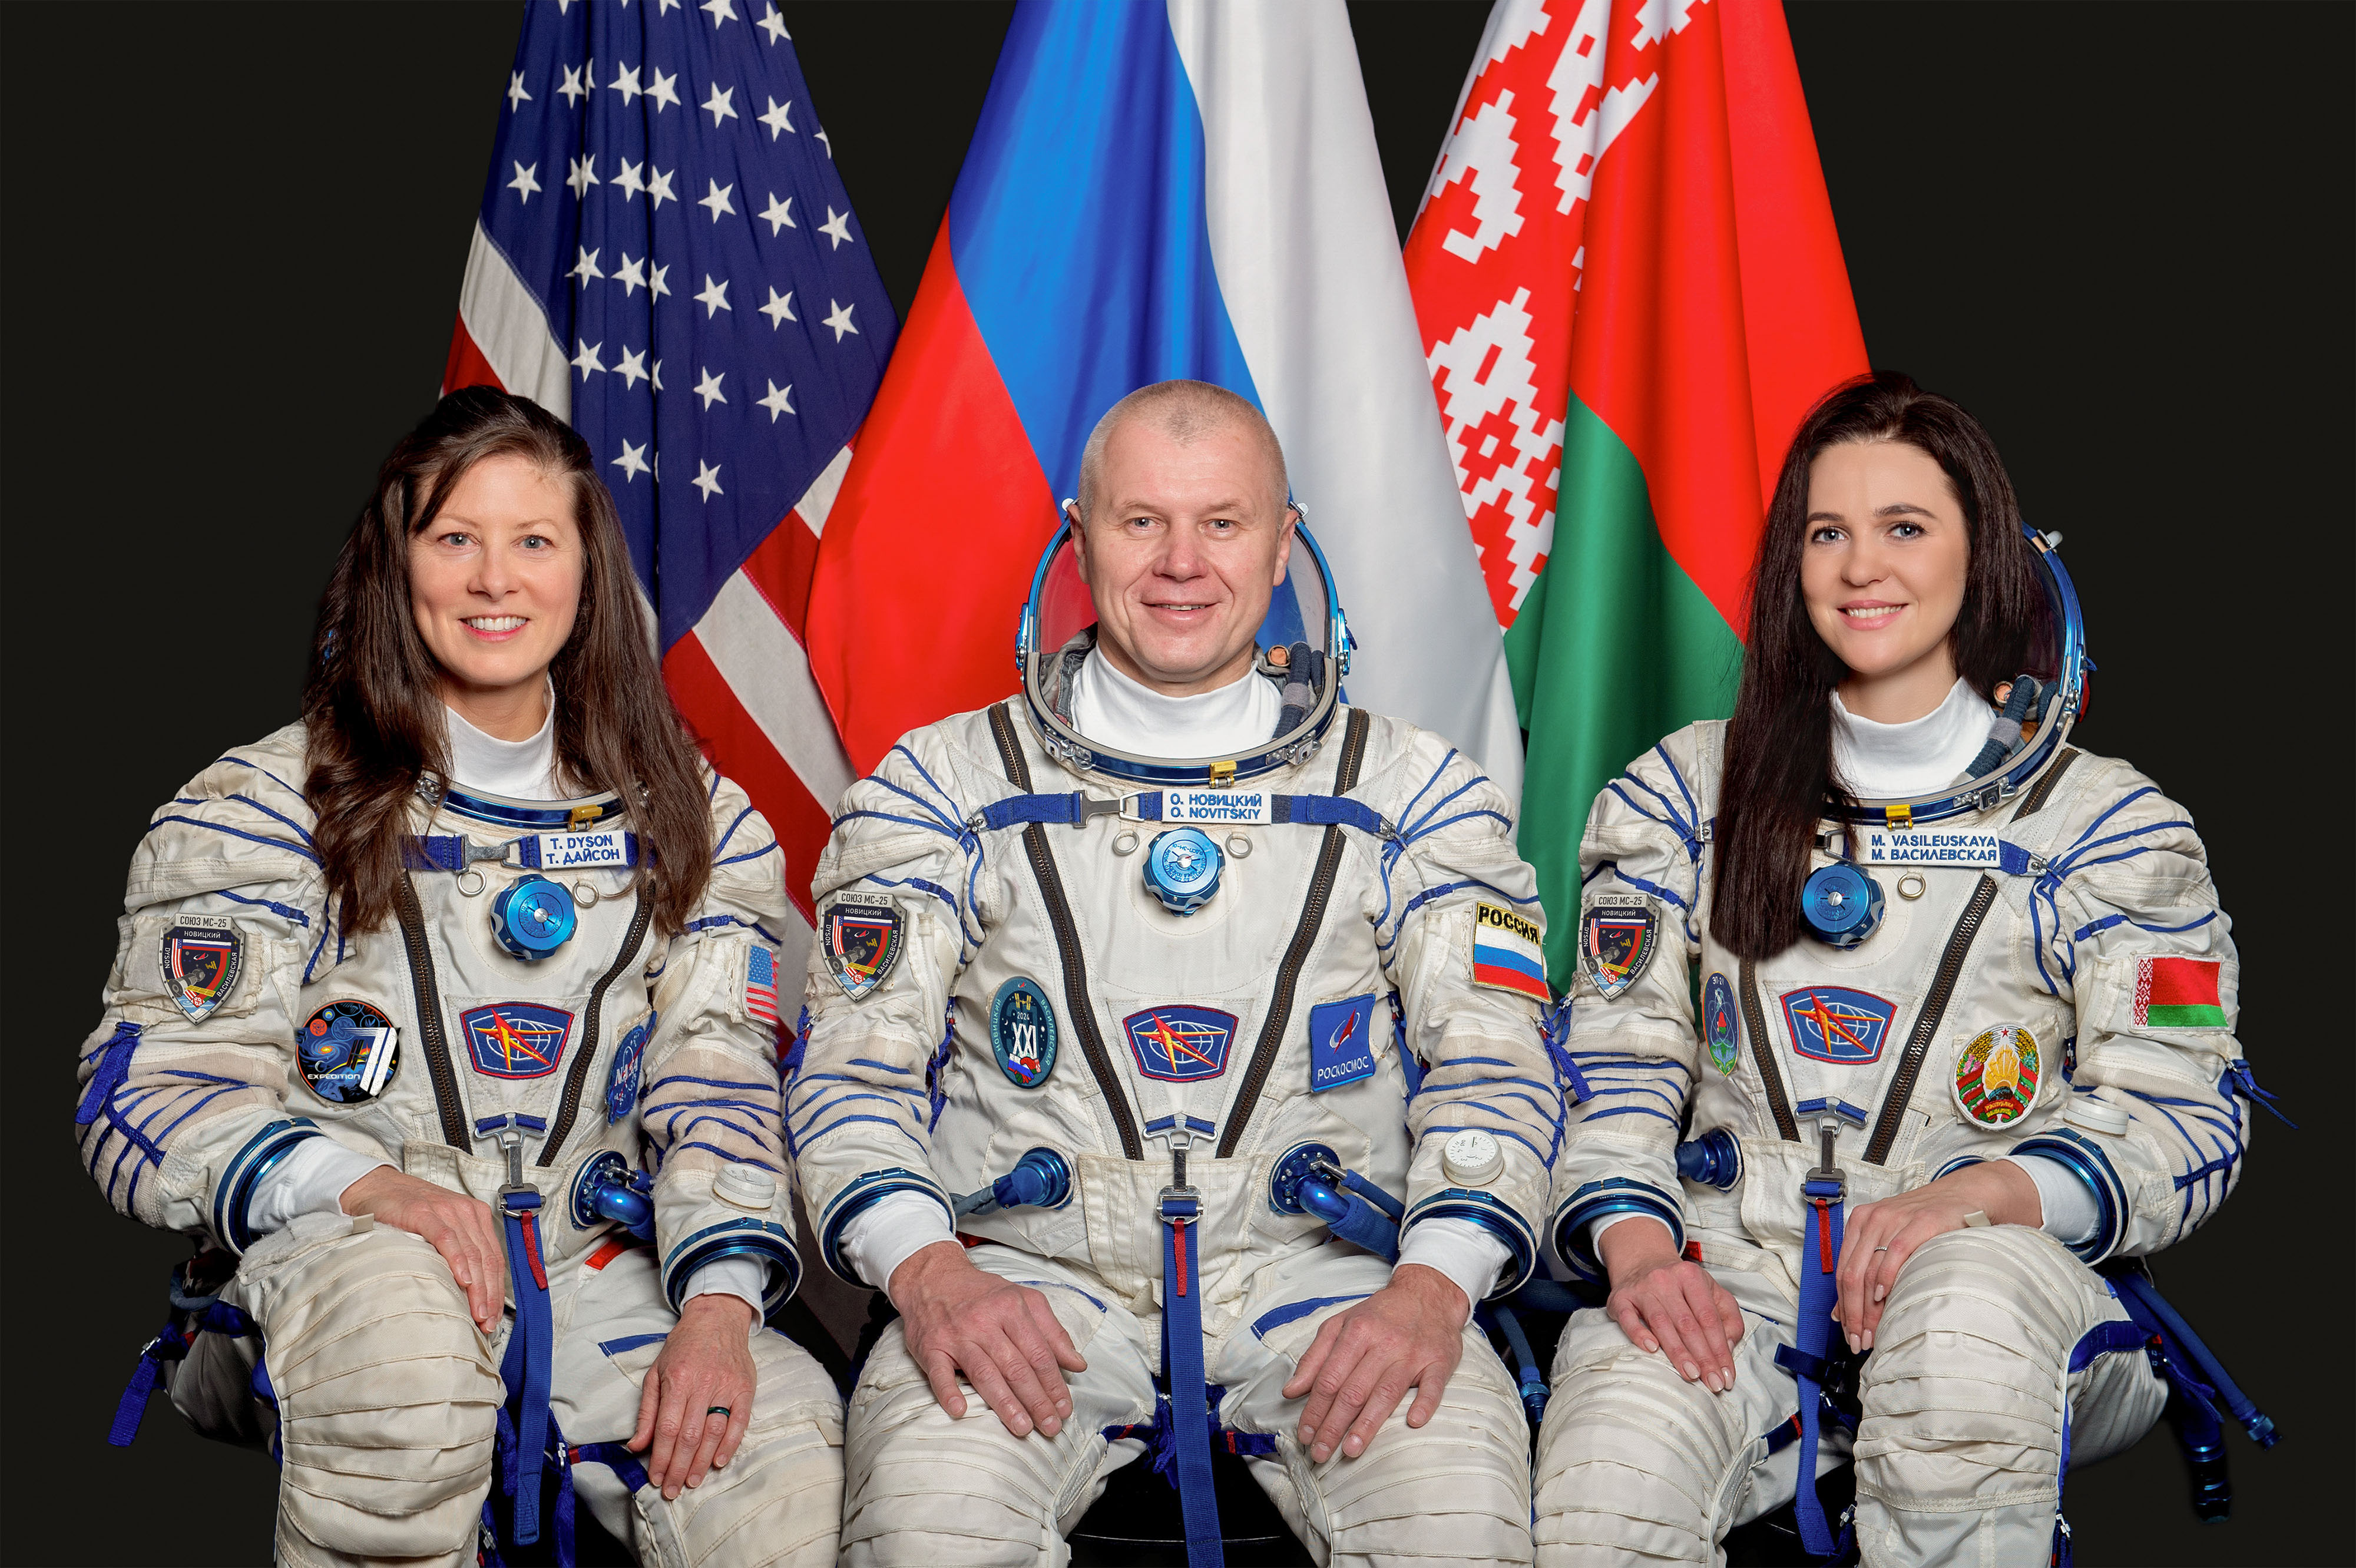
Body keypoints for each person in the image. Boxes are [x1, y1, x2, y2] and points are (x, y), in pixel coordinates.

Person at [794, 380, 1557, 1565]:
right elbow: (854, 1078)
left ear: (1283, 542)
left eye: (1223, 522)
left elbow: (1494, 1069)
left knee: (1454, 1522)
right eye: (1141, 520)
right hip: (1023, 1277)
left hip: (1332, 1279)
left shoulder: (1413, 792)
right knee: (925, 1528)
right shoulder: (940, 787)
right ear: (1078, 535)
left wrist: (1433, 1283)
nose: (1181, 563)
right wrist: (930, 1269)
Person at [78, 389, 841, 1568]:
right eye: (455, 539)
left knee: (787, 1470)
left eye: (533, 540)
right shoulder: (265, 807)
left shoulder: (693, 822)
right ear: (396, 564)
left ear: (585, 572)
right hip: (337, 1259)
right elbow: (147, 1098)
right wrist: (370, 1186)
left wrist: (721, 1302)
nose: (495, 579)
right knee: (408, 1370)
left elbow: (721, 1087)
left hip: (594, 1267)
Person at [1530, 372, 2261, 1565]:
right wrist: (1638, 1245)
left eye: (1904, 527)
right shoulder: (1683, 797)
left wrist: (1977, 1195)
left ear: (1984, 555)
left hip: (2012, 1289)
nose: (1861, 566)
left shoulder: (2106, 826)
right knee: (1605, 1468)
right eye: (1827, 532)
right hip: (1734, 1271)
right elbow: (1610, 1064)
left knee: (1963, 1319)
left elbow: (2183, 1113)